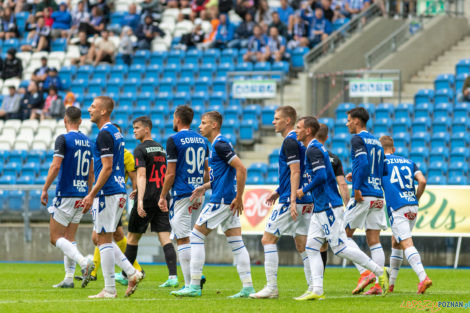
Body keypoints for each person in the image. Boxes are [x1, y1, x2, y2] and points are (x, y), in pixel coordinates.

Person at [293, 116, 388, 300]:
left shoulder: (313, 149)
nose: (296, 131)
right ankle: (317, 290)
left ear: (308, 131)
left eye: (298, 127)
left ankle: (378, 271)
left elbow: (320, 176)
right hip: (321, 207)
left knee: (339, 248)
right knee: (311, 247)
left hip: (328, 206)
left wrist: (303, 190)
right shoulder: (316, 148)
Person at [172, 111, 255, 298]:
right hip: (226, 197)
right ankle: (248, 287)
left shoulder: (219, 144)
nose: (200, 126)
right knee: (236, 243)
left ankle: (193, 285)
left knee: (195, 235)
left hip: (223, 199)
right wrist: (206, 186)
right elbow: (224, 174)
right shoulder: (218, 144)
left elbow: (241, 168)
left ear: (214, 125)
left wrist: (239, 197)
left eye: (203, 123)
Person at [81, 96, 143, 298]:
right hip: (117, 190)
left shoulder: (104, 134)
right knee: (105, 237)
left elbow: (107, 167)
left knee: (103, 239)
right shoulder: (115, 132)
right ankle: (132, 273)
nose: (89, 109)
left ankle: (110, 289)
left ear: (104, 111)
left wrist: (92, 193)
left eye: (93, 106)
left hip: (107, 192)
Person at [249, 106, 313, 299]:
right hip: (307, 199)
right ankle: (314, 286)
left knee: (268, 239)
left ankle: (271, 287)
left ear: (287, 121)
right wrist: (277, 191)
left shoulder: (290, 141)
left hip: (293, 199)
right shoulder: (301, 141)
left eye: (277, 118)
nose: (273, 122)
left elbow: (295, 172)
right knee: (302, 244)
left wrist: (291, 199)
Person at [113, 116, 178, 288]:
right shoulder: (161, 148)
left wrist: (139, 199)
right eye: (133, 128)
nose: (134, 130)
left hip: (148, 198)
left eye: (137, 128)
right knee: (165, 237)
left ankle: (125, 274)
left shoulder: (140, 149)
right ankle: (173, 277)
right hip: (163, 196)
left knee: (133, 237)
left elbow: (141, 175)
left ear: (146, 129)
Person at [41, 106, 95, 288]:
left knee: (55, 237)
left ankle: (83, 262)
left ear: (65, 120)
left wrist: (45, 188)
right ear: (80, 121)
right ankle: (69, 279)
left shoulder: (63, 139)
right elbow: (91, 172)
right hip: (81, 195)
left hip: (66, 194)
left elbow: (56, 166)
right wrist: (90, 195)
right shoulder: (88, 141)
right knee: (69, 237)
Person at [158, 106, 209, 292]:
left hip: (182, 194)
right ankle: (197, 275)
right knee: (194, 237)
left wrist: (162, 195)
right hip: (198, 194)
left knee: (183, 238)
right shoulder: (202, 140)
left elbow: (170, 173)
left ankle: (190, 284)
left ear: (177, 119)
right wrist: (202, 189)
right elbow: (206, 171)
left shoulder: (173, 140)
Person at [86, 123, 141, 282]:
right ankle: (133, 270)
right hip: (110, 195)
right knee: (106, 235)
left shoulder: (126, 155)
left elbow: (133, 175)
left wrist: (136, 192)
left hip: (112, 196)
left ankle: (99, 272)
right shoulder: (108, 152)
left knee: (102, 235)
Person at [344, 107, 388, 295]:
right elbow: (382, 169)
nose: (347, 124)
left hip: (364, 194)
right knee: (374, 241)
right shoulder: (377, 142)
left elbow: (362, 163)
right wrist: (357, 176)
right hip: (378, 195)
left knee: (342, 235)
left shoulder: (357, 139)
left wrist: (357, 186)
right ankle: (378, 285)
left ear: (356, 121)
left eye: (348, 120)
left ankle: (365, 272)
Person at [379, 135, 432, 294]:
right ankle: (391, 284)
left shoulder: (381, 163)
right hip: (412, 206)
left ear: (380, 151)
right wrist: (416, 198)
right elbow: (422, 181)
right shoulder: (409, 162)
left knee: (406, 243)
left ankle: (423, 278)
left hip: (397, 206)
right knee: (396, 242)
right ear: (393, 149)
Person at [314, 123, 350, 266]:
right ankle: (317, 281)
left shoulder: (308, 154)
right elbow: (342, 183)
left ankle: (370, 270)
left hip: (314, 203)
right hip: (331, 204)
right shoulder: (334, 159)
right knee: (322, 244)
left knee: (320, 245)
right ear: (327, 137)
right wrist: (347, 204)